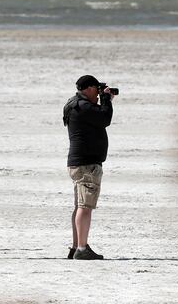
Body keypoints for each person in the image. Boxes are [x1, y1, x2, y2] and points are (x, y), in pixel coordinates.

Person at [63, 75, 114, 260]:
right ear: (89, 88)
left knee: (80, 206)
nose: (98, 94)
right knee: (85, 207)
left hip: (79, 163)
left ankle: (76, 246)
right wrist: (107, 100)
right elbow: (105, 118)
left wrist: (104, 99)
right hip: (86, 164)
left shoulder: (74, 104)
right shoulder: (83, 106)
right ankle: (82, 248)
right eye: (97, 90)